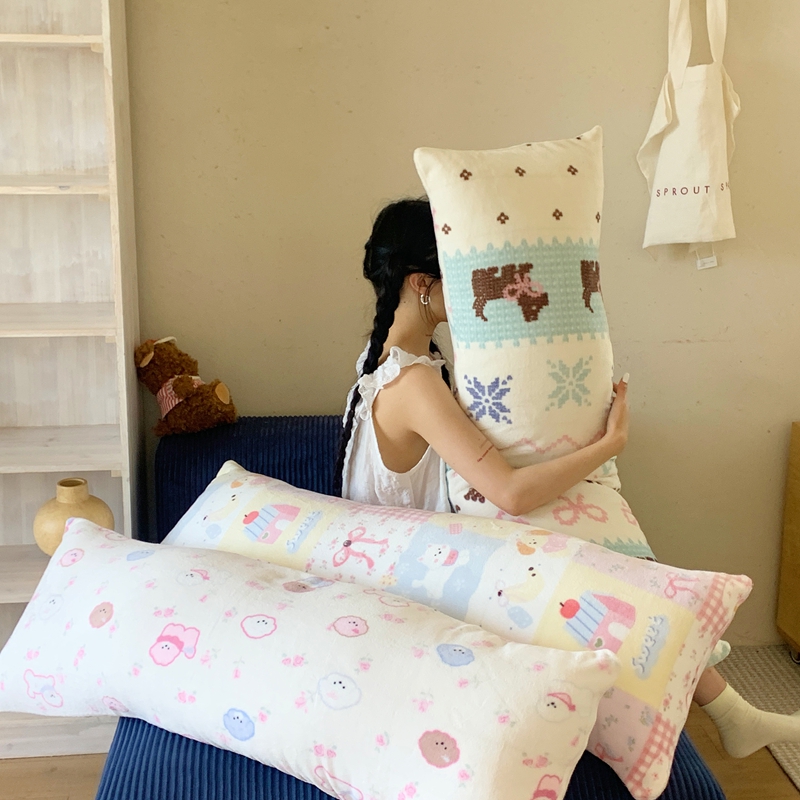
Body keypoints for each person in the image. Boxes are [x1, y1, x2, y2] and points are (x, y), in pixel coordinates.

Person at [335, 197, 800, 760]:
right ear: (421, 283)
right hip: (408, 580)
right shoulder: (411, 383)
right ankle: (728, 707)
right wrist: (609, 445)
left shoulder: (398, 362)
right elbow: (509, 491)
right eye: (458, 272)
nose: (473, 285)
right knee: (581, 573)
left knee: (583, 548)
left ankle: (728, 707)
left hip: (425, 554)